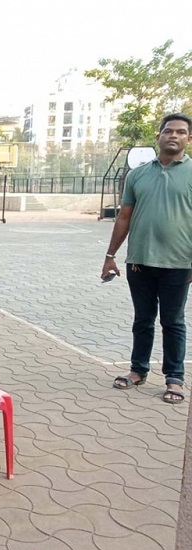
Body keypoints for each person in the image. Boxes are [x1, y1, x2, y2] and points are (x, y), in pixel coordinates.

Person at [102, 113, 192, 404]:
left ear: (188, 139)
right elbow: (124, 216)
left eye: (181, 132)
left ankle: (174, 378)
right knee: (143, 319)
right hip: (139, 261)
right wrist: (110, 256)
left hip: (179, 263)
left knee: (173, 321)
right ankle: (138, 370)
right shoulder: (138, 174)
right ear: (159, 136)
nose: (174, 136)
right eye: (168, 131)